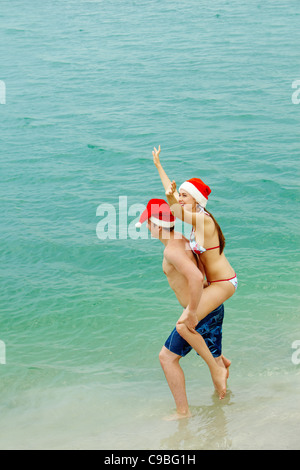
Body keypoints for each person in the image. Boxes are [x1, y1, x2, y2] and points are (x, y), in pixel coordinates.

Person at [136, 199, 230, 419]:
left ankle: (183, 412)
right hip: (213, 305)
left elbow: (197, 277)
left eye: (148, 223)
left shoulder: (172, 250)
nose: (148, 228)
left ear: (157, 225)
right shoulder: (181, 239)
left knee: (166, 358)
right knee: (215, 359)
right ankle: (223, 401)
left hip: (202, 311)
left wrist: (192, 311)